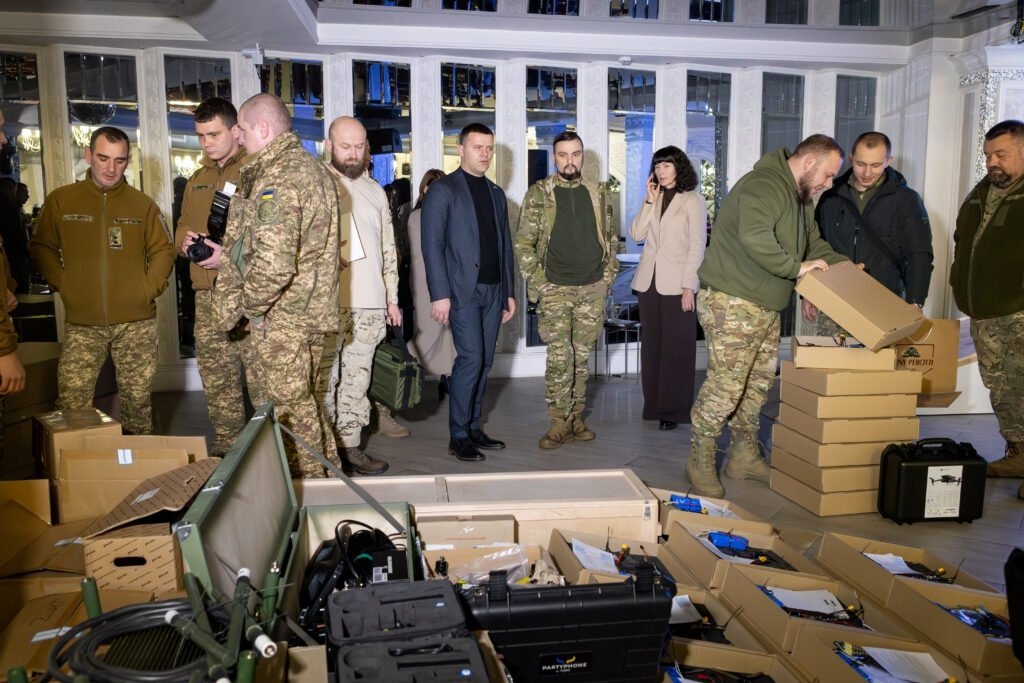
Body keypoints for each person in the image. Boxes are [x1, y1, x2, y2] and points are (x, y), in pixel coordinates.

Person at [689, 134, 849, 497]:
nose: (829, 183)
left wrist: (842, 267)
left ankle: (743, 457)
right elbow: (755, 238)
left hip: (764, 304)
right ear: (810, 162)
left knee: (757, 385)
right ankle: (699, 457)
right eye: (827, 174)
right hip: (733, 302)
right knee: (726, 387)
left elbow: (812, 244)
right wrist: (798, 269)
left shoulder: (800, 196)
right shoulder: (763, 185)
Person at [211, 93, 342, 478]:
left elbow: (274, 264)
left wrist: (250, 308)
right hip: (307, 313)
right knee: (306, 405)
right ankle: (331, 484)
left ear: (264, 129)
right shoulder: (310, 168)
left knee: (290, 414)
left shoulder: (278, 178)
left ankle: (311, 492)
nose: (238, 137)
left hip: (284, 318)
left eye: (243, 129)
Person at [30, 126, 175, 435]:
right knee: (72, 403)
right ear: (88, 155)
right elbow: (42, 247)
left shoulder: (143, 205)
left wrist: (147, 289)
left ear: (128, 160)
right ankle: (78, 463)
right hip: (83, 323)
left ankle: (139, 459)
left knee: (137, 403)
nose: (111, 168)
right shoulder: (62, 201)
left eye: (119, 160)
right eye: (103, 158)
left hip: (136, 323)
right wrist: (64, 283)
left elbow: (164, 250)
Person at [516, 131, 618, 449]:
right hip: (555, 288)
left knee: (582, 357)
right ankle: (558, 421)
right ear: (554, 157)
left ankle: (576, 418)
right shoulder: (539, 194)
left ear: (582, 156)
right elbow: (523, 243)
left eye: (575, 154)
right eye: (563, 155)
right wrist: (540, 283)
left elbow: (612, 239)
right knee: (560, 357)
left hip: (592, 288)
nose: (569, 161)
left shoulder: (599, 193)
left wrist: (607, 277)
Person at [420, 123, 516, 463]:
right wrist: (439, 294)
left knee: (485, 360)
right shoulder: (443, 190)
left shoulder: (496, 193)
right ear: (460, 150)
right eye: (478, 147)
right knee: (471, 358)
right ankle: (458, 435)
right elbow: (431, 246)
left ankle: (474, 427)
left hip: (494, 290)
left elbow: (504, 246)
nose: (485, 153)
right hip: (462, 291)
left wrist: (508, 291)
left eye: (489, 147)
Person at [318, 116, 403, 477]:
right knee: (325, 382)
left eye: (359, 146)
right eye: (345, 146)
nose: (353, 154)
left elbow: (388, 249)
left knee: (357, 381)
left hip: (369, 304)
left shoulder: (375, 191)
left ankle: (350, 448)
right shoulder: (315, 185)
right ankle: (325, 453)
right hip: (326, 304)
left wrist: (392, 298)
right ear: (328, 146)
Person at [950, 119, 1024, 500]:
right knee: (1003, 388)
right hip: (985, 314)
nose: (992, 162)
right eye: (988, 155)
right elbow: (963, 238)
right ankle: (1018, 453)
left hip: (1018, 312)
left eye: (1001, 154)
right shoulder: (981, 191)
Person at [175, 97, 249, 456]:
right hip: (206, 294)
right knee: (218, 380)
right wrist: (186, 242)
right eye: (201, 136)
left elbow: (273, 239)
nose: (206, 143)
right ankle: (228, 450)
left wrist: (228, 258)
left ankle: (275, 454)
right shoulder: (199, 178)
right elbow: (182, 225)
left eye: (214, 134)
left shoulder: (255, 171)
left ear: (236, 131)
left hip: (249, 293)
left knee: (264, 380)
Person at [806, 131, 933, 330]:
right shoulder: (831, 197)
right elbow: (814, 246)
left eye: (875, 165)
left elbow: (919, 254)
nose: (867, 173)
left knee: (880, 352)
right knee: (831, 352)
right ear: (851, 159)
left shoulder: (906, 200)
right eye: (860, 164)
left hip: (884, 302)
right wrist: (809, 293)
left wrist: (916, 302)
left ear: (888, 161)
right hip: (834, 300)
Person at [629, 145, 706, 431]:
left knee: (677, 349)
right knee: (653, 348)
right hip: (648, 284)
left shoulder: (694, 200)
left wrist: (689, 287)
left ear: (678, 167)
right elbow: (636, 234)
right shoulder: (655, 197)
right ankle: (653, 407)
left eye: (666, 166)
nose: (661, 171)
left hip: (678, 285)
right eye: (657, 166)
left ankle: (673, 411)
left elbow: (697, 246)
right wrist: (649, 201)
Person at [407, 169, 455, 397]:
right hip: (424, 280)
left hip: (446, 278)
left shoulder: (448, 213)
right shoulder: (417, 216)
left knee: (449, 332)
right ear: (424, 189)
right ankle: (405, 362)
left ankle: (448, 376)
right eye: (432, 186)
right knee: (430, 329)